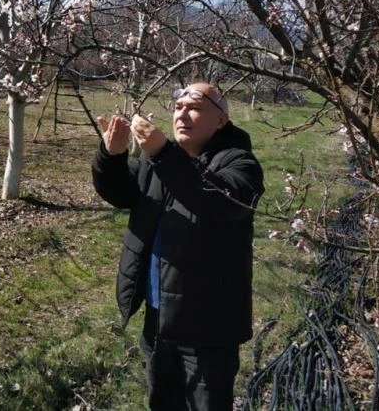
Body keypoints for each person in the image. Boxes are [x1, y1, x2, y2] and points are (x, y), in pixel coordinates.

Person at [92, 82, 264, 411]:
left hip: (209, 328)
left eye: (195, 107)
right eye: (178, 107)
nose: (182, 114)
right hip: (159, 321)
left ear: (221, 120)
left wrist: (161, 153)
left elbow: (213, 200)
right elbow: (120, 192)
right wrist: (111, 156)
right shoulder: (157, 162)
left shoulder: (241, 165)